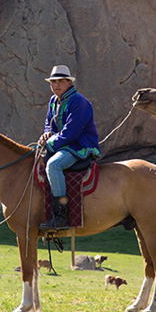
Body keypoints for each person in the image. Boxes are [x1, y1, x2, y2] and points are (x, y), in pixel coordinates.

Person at [38, 65, 100, 230]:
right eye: (53, 82)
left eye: (60, 81)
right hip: (63, 145)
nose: (56, 85)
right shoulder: (53, 101)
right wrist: (46, 134)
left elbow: (71, 133)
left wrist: (50, 143)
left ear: (69, 83)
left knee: (53, 165)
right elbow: (49, 124)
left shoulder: (79, 101)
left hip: (79, 146)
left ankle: (61, 216)